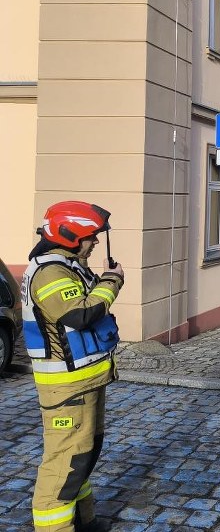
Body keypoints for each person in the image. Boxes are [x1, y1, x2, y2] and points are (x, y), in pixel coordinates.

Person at [22, 201, 125, 532]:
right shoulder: (49, 272)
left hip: (87, 381)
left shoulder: (68, 265)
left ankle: (84, 522)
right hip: (67, 388)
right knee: (63, 467)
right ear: (69, 236)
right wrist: (112, 282)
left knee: (83, 457)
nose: (94, 242)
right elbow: (78, 314)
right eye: (90, 237)